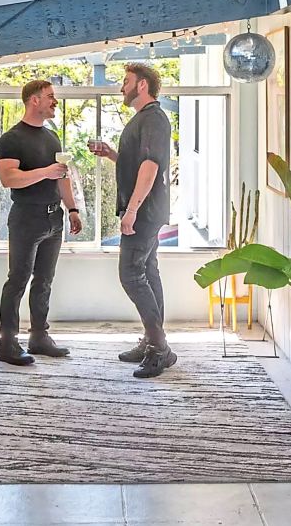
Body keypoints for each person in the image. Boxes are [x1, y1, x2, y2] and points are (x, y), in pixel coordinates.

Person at [89, 63, 176, 378]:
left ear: (142, 85)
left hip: (146, 210)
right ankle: (151, 343)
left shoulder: (153, 118)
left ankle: (160, 347)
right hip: (146, 209)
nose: (120, 87)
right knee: (148, 273)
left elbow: (151, 167)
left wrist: (133, 210)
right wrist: (113, 154)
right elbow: (139, 162)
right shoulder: (143, 119)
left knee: (130, 274)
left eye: (125, 81)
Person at [0, 79, 83, 366]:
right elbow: (9, 178)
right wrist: (45, 171)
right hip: (25, 218)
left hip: (53, 218)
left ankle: (39, 338)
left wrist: (72, 209)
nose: (55, 101)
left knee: (44, 281)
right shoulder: (11, 139)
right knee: (18, 280)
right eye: (50, 97)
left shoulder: (52, 138)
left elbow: (61, 175)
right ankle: (7, 344)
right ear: (34, 100)